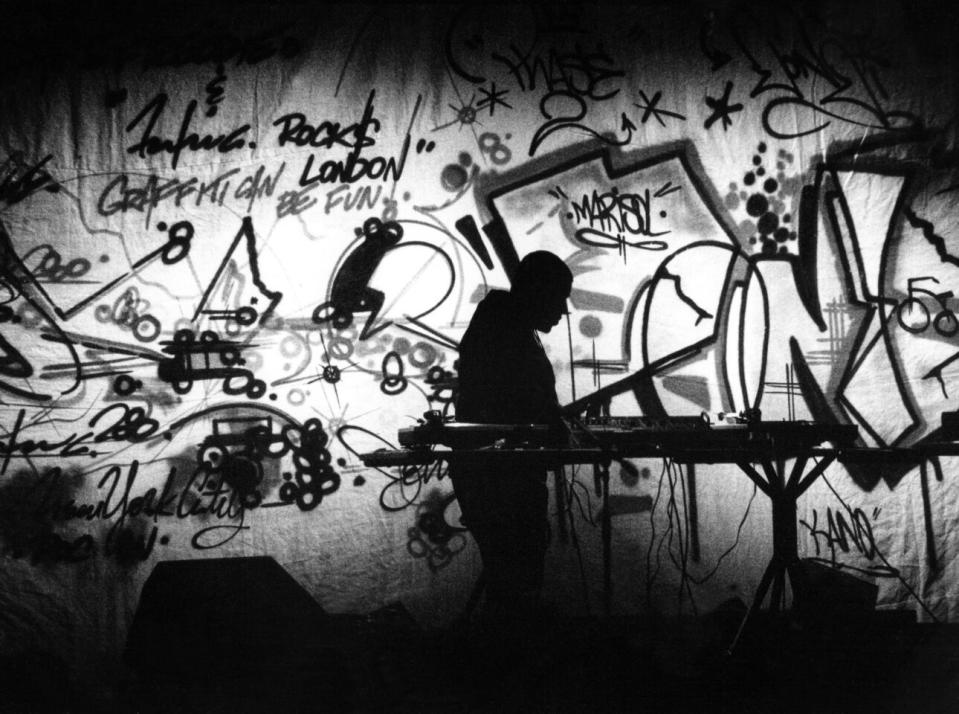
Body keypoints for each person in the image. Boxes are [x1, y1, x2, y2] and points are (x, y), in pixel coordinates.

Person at [451, 250, 573, 644]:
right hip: (499, 476)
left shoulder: (503, 323)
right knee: (515, 574)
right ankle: (506, 664)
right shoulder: (504, 331)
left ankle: (504, 661)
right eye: (557, 300)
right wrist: (553, 425)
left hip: (498, 472)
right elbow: (518, 402)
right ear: (537, 293)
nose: (562, 312)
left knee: (511, 574)